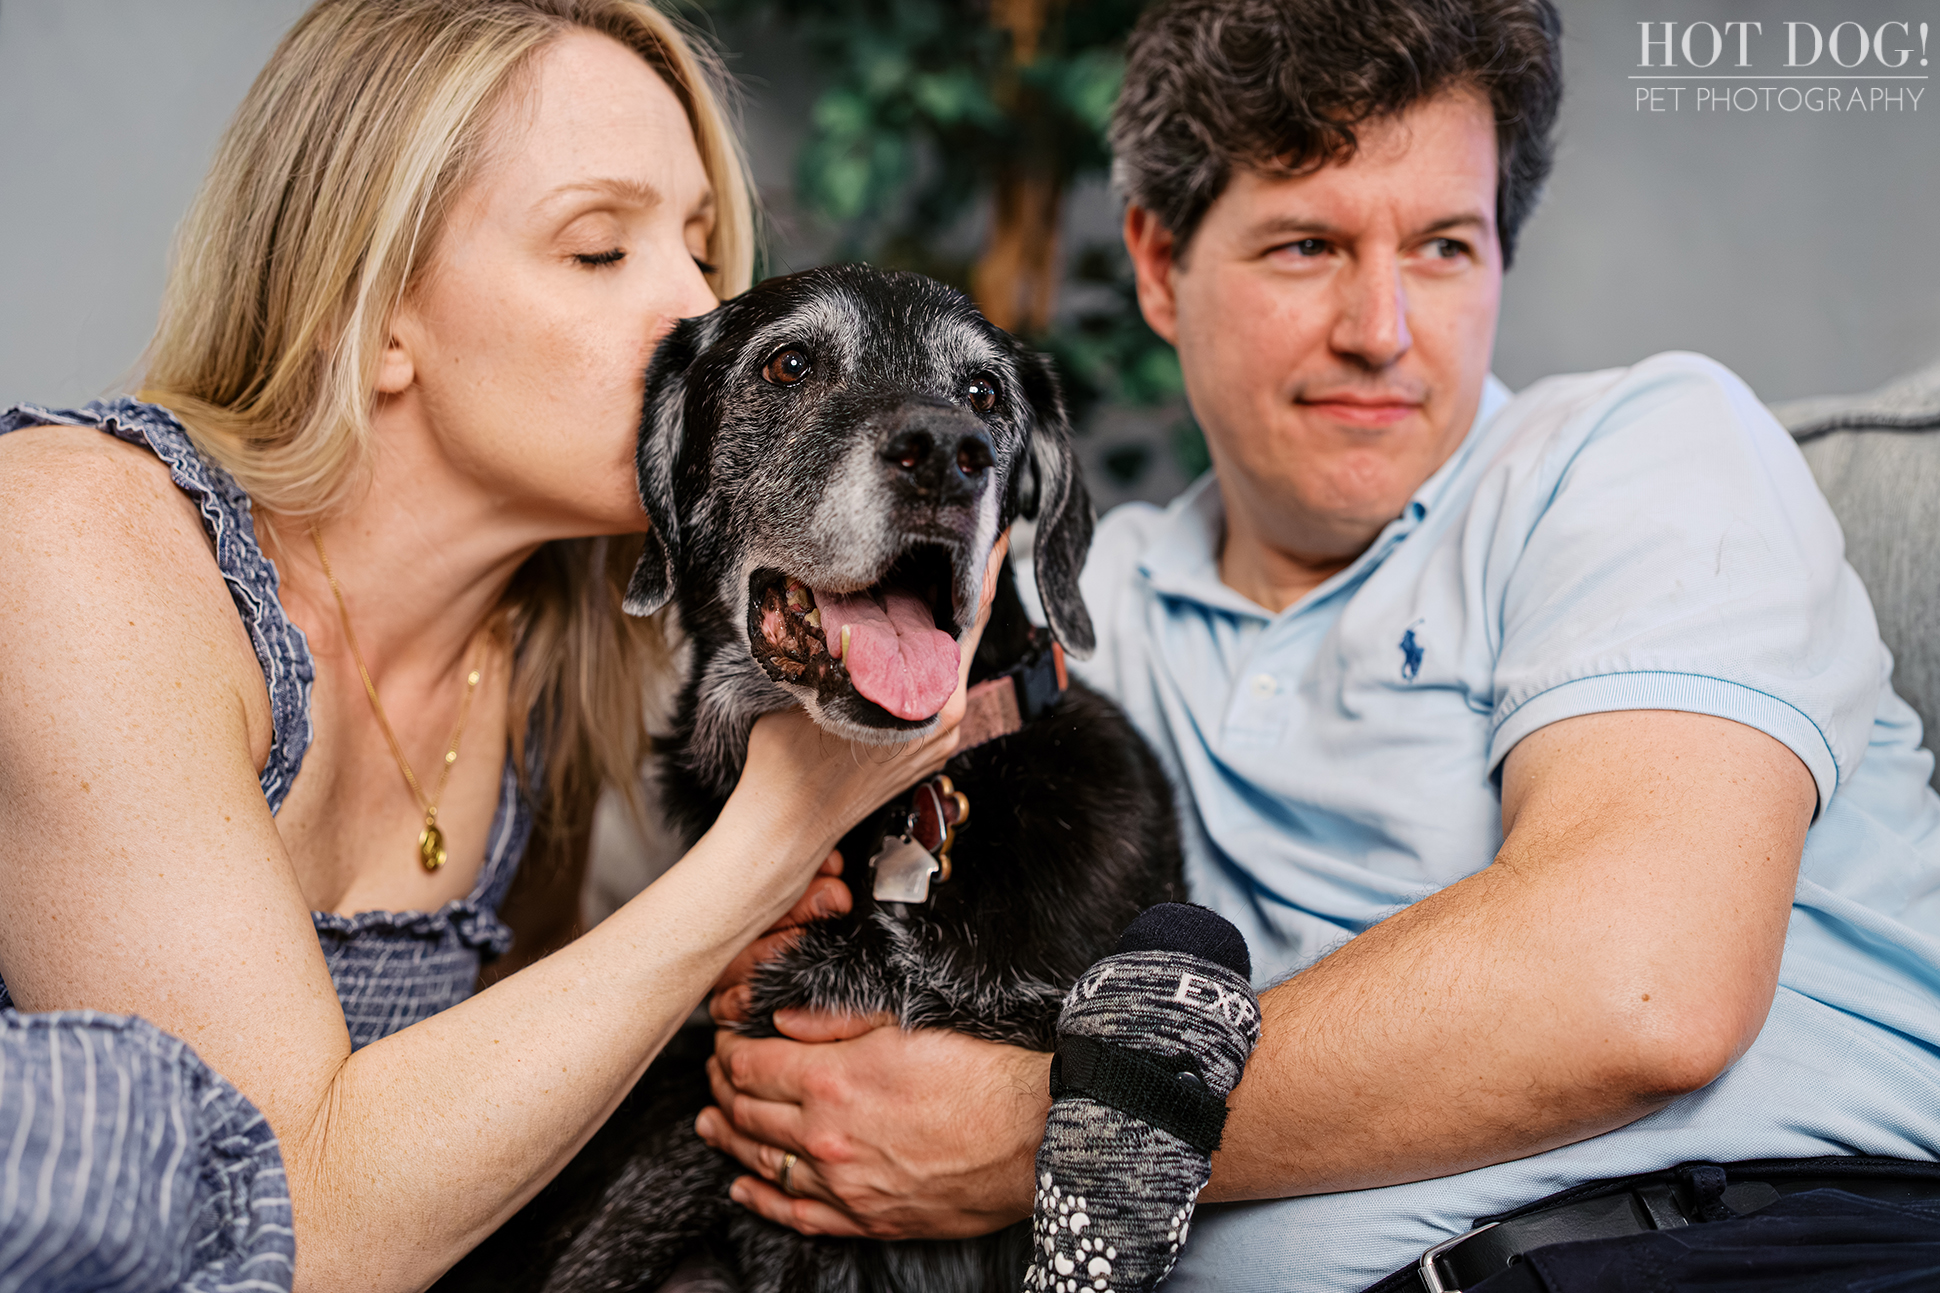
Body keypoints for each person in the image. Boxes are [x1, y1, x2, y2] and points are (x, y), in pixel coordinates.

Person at [694, 1, 1940, 1288]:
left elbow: (1638, 993)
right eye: (1306, 245)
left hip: (1747, 1241)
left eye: (1445, 247)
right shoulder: (1086, 617)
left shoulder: (1633, 456)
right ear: (1159, 265)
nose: (1381, 329)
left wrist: (1030, 1130)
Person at [0, 3, 996, 1289]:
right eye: (598, 250)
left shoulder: (554, 662)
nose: (704, 315)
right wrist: (774, 834)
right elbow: (285, 1235)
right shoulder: (70, 536)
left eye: (702, 253)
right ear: (367, 312)